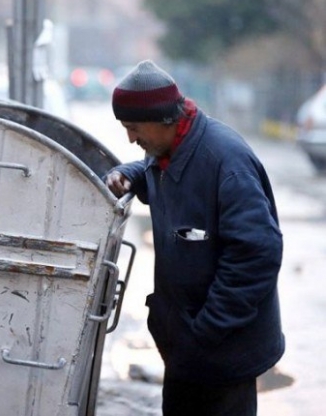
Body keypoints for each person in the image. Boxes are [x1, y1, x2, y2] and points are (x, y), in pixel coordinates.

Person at [105, 60, 285, 415]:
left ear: (163, 119)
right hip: (188, 346)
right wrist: (128, 174)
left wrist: (207, 330)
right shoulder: (169, 148)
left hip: (222, 350)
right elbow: (153, 170)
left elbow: (257, 254)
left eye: (133, 127)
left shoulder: (225, 161)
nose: (130, 137)